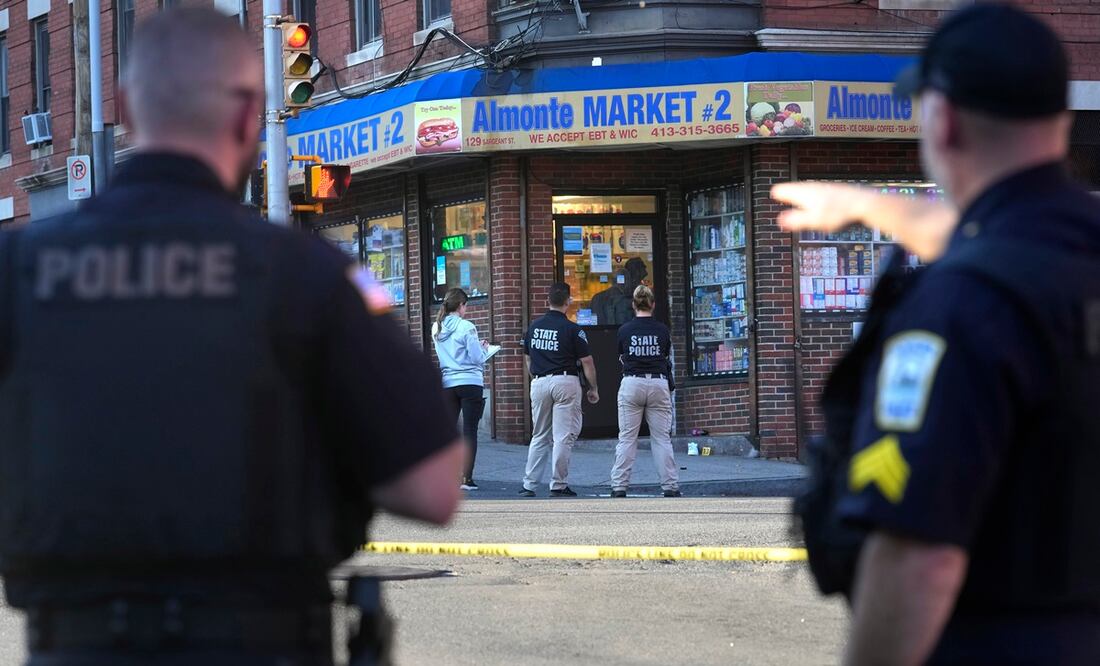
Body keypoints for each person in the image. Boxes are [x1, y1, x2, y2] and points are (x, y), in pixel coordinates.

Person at [0, 9, 465, 666]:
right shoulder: (312, 277)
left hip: (73, 643)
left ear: (126, 109)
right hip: (264, 638)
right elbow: (433, 488)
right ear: (251, 116)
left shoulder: (18, 270)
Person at [774, 4, 1100, 663]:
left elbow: (917, 559)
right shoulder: (1068, 250)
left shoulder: (959, 308)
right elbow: (1008, 236)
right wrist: (872, 205)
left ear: (943, 120)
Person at [519, 282, 599, 497]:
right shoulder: (573, 329)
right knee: (562, 437)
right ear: (568, 302)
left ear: (548, 301)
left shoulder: (533, 327)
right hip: (565, 381)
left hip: (539, 381)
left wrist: (535, 378)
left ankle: (529, 485)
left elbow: (527, 358)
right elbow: (587, 361)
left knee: (539, 435)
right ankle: (558, 484)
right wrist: (593, 387)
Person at [609, 285, 680, 498]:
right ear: (653, 305)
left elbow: (621, 356)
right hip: (658, 383)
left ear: (633, 305)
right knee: (661, 439)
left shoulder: (624, 330)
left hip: (632, 383)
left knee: (627, 438)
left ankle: (619, 486)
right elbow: (666, 354)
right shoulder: (662, 330)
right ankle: (670, 485)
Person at [432, 287, 488, 490]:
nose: (466, 310)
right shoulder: (467, 326)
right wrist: (484, 350)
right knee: (469, 430)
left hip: (448, 382)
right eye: (465, 306)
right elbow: (476, 358)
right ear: (461, 305)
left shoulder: (436, 327)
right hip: (470, 382)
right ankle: (466, 478)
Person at [590, 257, 649, 325]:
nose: (640, 284)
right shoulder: (626, 301)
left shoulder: (596, 298)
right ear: (627, 281)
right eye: (639, 280)